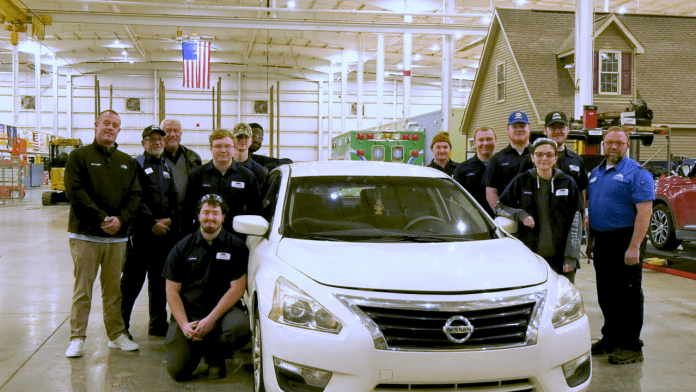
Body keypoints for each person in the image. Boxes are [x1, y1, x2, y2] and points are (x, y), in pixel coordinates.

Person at [63, 109, 141, 357]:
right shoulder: (79, 156)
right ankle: (77, 338)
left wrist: (121, 220)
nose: (110, 128)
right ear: (96, 125)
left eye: (115, 125)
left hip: (117, 238)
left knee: (113, 291)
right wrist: (101, 218)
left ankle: (116, 335)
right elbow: (74, 191)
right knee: (83, 290)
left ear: (119, 130)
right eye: (106, 123)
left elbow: (135, 196)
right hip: (86, 235)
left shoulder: (127, 161)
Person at [163, 195, 250, 381]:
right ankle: (196, 345)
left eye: (215, 213)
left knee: (239, 328)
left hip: (222, 313)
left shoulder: (237, 247)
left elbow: (238, 288)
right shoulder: (181, 247)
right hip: (190, 313)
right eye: (206, 212)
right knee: (178, 372)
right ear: (198, 215)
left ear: (223, 217)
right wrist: (185, 325)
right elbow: (172, 291)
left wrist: (210, 320)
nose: (210, 217)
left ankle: (215, 357)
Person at [586, 127, 653, 365]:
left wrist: (634, 246)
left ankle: (631, 345)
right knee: (606, 293)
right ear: (603, 144)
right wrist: (591, 241)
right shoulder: (595, 173)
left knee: (628, 294)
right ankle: (611, 338)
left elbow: (645, 212)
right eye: (610, 142)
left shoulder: (637, 173)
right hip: (602, 241)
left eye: (619, 143)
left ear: (626, 145)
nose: (614, 146)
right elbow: (593, 209)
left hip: (626, 240)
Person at [120, 125, 179, 339]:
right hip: (142, 234)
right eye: (152, 139)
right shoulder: (136, 164)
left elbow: (173, 197)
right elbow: (135, 197)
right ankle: (120, 326)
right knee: (132, 282)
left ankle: (158, 324)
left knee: (159, 281)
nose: (157, 143)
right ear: (143, 143)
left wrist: (171, 219)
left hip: (163, 236)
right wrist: (151, 222)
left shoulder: (166, 166)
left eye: (160, 139)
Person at [495, 138, 583, 282]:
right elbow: (499, 207)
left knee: (563, 299)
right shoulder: (522, 180)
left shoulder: (567, 182)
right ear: (532, 158)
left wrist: (571, 257)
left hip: (561, 260)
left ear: (555, 158)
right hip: (531, 258)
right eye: (539, 154)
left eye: (549, 155)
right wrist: (520, 215)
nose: (544, 158)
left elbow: (576, 220)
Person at [183, 129, 261, 233]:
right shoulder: (197, 175)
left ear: (234, 148)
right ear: (211, 148)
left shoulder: (247, 176)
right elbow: (188, 210)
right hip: (205, 236)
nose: (223, 150)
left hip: (236, 236)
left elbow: (256, 211)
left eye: (228, 146)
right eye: (218, 146)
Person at [518, 111, 588, 191]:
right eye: (553, 127)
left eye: (561, 127)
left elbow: (582, 190)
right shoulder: (531, 159)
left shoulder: (577, 160)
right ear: (545, 130)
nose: (557, 131)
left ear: (568, 129)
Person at [483, 111, 532, 211]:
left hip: (536, 217)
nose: (519, 130)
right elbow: (491, 192)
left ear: (529, 129)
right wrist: (502, 214)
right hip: (508, 217)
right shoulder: (497, 159)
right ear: (508, 129)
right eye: (515, 126)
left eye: (522, 126)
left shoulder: (540, 156)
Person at [453, 126, 497, 217]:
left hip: (499, 222)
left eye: (489, 139)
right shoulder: (463, 168)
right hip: (473, 222)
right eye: (481, 140)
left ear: (495, 141)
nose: (485, 143)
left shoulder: (503, 166)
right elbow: (456, 199)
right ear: (475, 143)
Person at [162, 118, 202, 206]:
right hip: (164, 215)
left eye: (176, 131)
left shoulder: (194, 158)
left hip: (187, 213)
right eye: (168, 131)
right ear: (162, 134)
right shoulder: (154, 158)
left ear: (181, 134)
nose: (172, 134)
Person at [231, 123, 268, 189]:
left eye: (246, 137)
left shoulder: (259, 171)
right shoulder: (224, 166)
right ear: (232, 140)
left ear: (251, 140)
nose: (242, 140)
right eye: (239, 137)